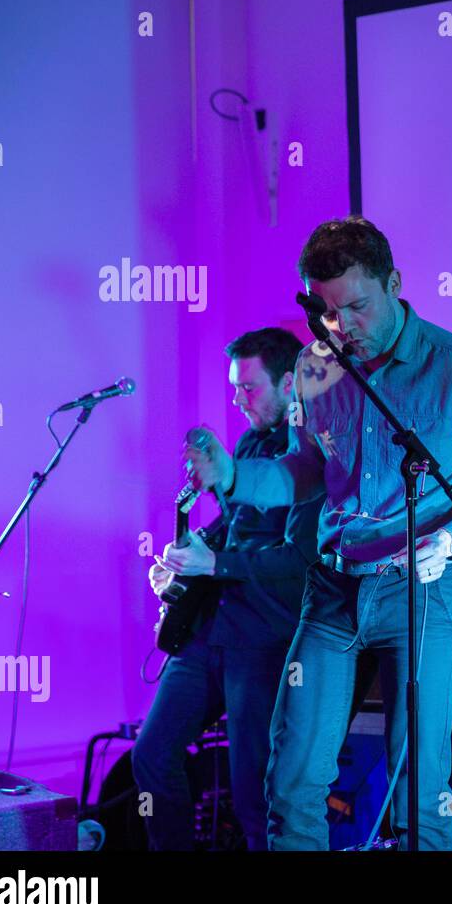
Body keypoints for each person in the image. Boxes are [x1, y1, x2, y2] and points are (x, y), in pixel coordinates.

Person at [186, 216, 452, 850]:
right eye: (328, 312)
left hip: (425, 591)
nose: (344, 327)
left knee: (420, 793)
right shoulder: (318, 366)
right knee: (291, 784)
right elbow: (304, 473)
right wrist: (232, 475)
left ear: (395, 283)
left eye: (357, 307)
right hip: (335, 591)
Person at [134, 327, 322, 850]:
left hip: (264, 641)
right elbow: (233, 528)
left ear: (289, 383)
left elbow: (300, 560)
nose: (238, 400)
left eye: (249, 388)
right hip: (209, 631)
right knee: (151, 755)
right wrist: (184, 559)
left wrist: (213, 561)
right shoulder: (246, 443)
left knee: (253, 796)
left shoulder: (310, 450)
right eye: (235, 388)